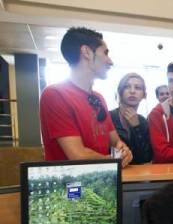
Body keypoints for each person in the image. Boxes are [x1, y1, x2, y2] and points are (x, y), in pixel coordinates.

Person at [39, 27, 132, 166]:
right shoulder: (54, 94)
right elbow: (78, 155)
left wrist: (124, 151)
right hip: (70, 184)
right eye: (105, 53)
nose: (110, 61)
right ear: (87, 52)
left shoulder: (99, 98)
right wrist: (115, 160)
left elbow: (116, 141)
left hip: (103, 180)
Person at [109, 73, 153, 164]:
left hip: (136, 175)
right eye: (127, 87)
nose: (132, 91)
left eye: (138, 88)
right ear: (120, 91)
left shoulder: (143, 121)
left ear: (144, 95)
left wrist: (136, 127)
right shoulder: (108, 117)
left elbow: (146, 157)